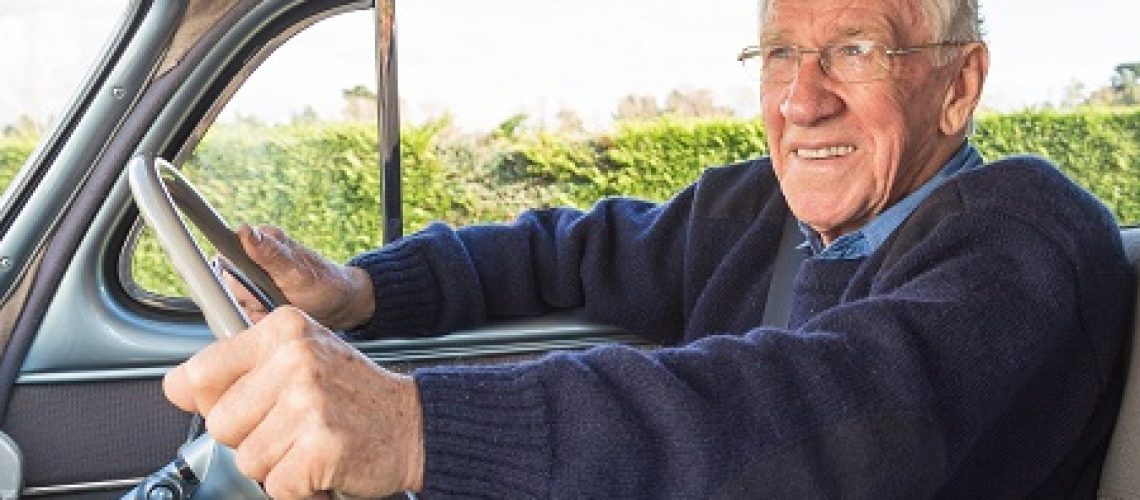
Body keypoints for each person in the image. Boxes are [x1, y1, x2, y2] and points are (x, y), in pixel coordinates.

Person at [163, 0, 1134, 498]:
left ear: (958, 87)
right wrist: (361, 289)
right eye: (782, 53)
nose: (801, 99)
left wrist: (417, 425)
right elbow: (567, 251)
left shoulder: (1026, 235)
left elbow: (827, 406)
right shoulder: (757, 209)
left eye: (855, 49)